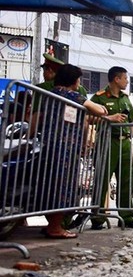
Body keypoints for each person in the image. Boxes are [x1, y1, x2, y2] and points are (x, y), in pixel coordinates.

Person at [41, 64, 107, 238]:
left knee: (49, 185)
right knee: (62, 186)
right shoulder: (71, 95)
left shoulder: (49, 94)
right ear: (73, 80)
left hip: (49, 144)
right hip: (66, 148)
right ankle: (55, 227)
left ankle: (52, 225)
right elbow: (100, 110)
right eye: (78, 79)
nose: (79, 82)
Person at [90, 66, 133, 229]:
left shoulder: (125, 98)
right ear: (116, 79)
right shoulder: (99, 98)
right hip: (107, 142)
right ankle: (97, 218)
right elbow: (89, 118)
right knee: (102, 179)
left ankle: (127, 217)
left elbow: (132, 121)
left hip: (125, 143)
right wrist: (108, 118)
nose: (127, 81)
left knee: (127, 180)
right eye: (125, 78)